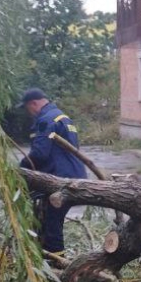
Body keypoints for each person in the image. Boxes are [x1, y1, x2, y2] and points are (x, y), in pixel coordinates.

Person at [17, 88, 87, 255]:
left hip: (60, 180)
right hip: (73, 176)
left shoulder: (46, 120)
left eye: (28, 108)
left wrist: (20, 168)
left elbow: (40, 154)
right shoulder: (62, 117)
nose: (29, 113)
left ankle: (56, 264)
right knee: (50, 222)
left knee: (51, 225)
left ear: (33, 103)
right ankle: (49, 258)